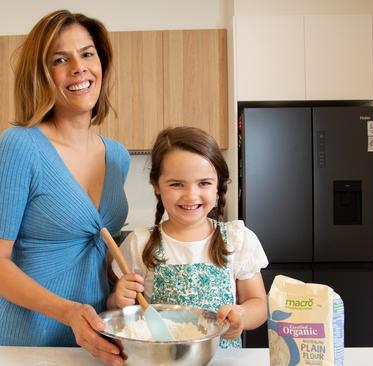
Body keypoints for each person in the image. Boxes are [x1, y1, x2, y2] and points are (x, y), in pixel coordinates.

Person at [0, 10, 127, 366]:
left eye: (87, 53)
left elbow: (97, 255)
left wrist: (117, 289)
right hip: (27, 341)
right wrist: (68, 313)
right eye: (61, 59)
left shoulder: (118, 156)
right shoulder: (18, 146)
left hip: (96, 338)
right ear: (42, 75)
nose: (79, 67)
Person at [107, 126, 269, 348]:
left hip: (223, 361)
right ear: (156, 185)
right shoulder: (140, 243)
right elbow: (116, 309)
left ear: (218, 185)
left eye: (204, 183)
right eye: (176, 184)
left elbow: (258, 304)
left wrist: (242, 315)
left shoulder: (236, 239)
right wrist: (118, 299)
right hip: (162, 361)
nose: (191, 195)